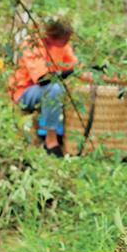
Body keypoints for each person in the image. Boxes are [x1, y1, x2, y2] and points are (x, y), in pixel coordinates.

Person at [8, 19, 92, 157]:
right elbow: (43, 79)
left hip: (48, 88)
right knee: (55, 89)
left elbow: (77, 68)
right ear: (53, 37)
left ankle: (68, 134)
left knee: (70, 90)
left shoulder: (63, 47)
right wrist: (72, 72)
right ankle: (50, 139)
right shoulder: (32, 44)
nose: (67, 42)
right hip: (25, 92)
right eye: (64, 39)